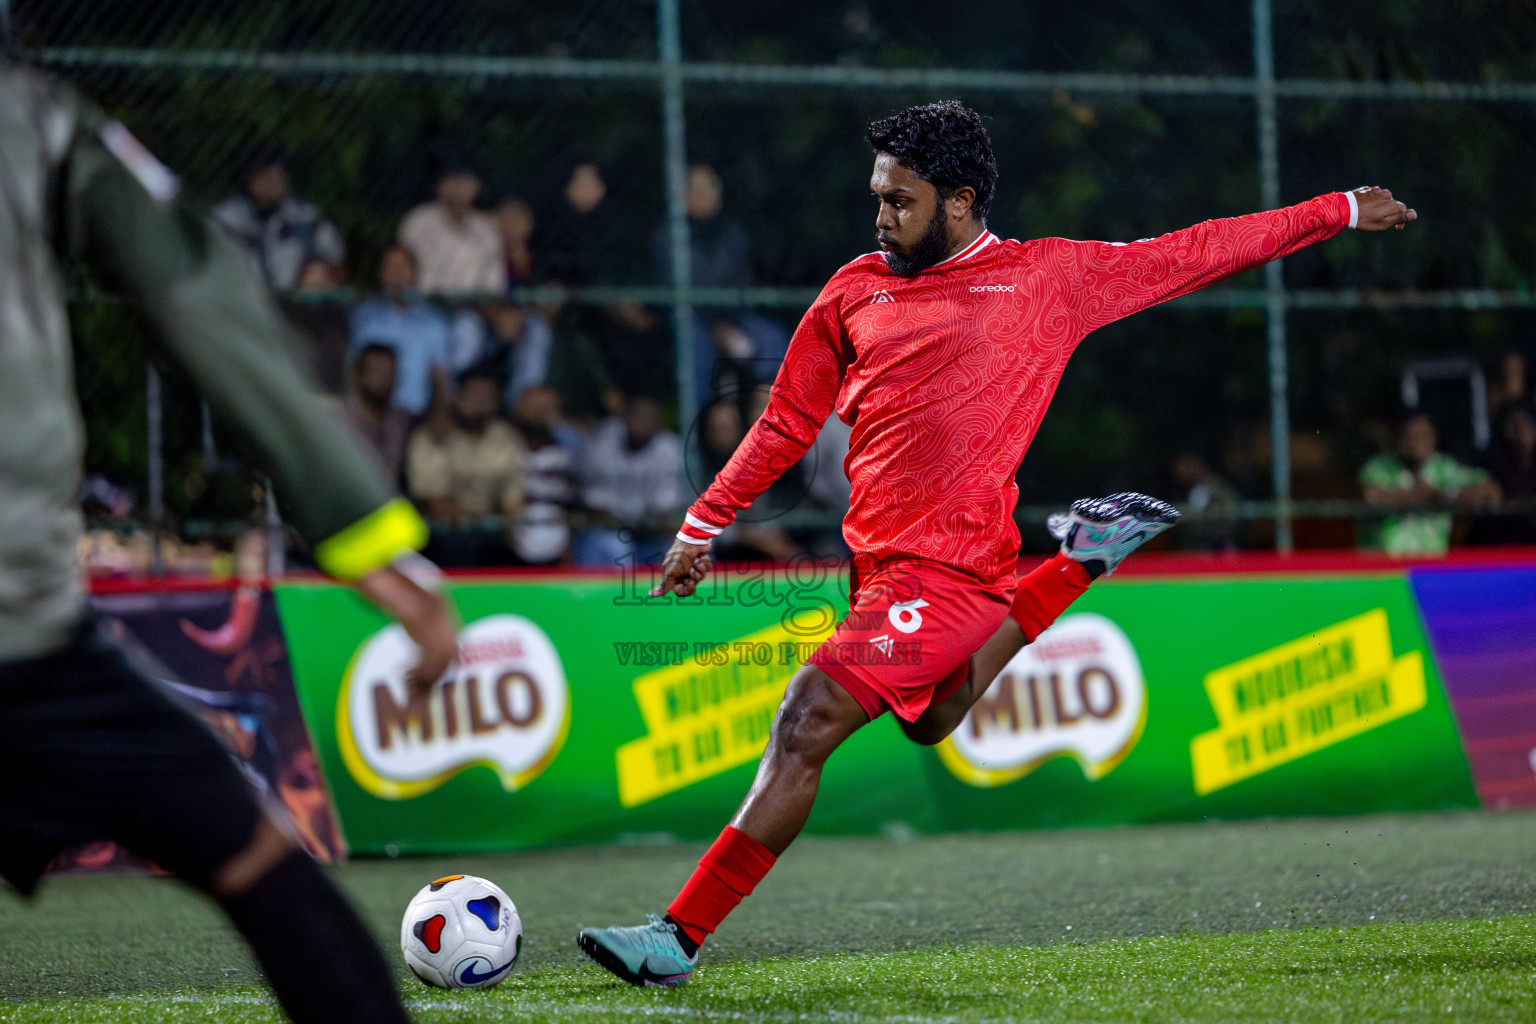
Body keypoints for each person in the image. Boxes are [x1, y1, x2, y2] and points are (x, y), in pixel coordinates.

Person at [577, 99, 1418, 986]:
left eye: (900, 200)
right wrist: (703, 525)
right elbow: (786, 421)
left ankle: (679, 935)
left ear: (962, 199)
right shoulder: (854, 289)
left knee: (807, 716)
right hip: (877, 566)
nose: (881, 216)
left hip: (950, 568)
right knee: (935, 721)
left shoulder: (1045, 281)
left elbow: (1196, 251)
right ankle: (1075, 564)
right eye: (877, 196)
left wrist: (1339, 211)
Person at [0, 60, 458, 1024]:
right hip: (24, 639)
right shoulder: (30, 114)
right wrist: (368, 539)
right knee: (256, 863)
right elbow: (194, 290)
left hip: (32, 637)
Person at [406, 369, 526, 566]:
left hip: (491, 536)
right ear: (457, 397)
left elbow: (512, 502)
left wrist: (509, 525)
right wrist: (476, 521)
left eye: (487, 395)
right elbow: (436, 503)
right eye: (473, 394)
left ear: (497, 401)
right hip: (440, 535)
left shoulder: (507, 438)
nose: (480, 402)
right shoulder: (434, 436)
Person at [1360, 410, 1501, 555]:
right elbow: (1371, 498)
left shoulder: (1444, 467)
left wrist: (1448, 496)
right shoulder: (1379, 467)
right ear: (1396, 438)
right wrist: (1428, 496)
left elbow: (1490, 490)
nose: (1415, 442)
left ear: (1434, 437)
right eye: (1408, 436)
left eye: (1421, 435)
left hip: (1432, 566)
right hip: (1384, 567)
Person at [212, 148, 346, 292]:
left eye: (280, 177)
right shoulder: (226, 218)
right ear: (249, 181)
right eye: (267, 178)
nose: (274, 185)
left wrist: (324, 276)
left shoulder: (307, 217)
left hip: (296, 303)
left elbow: (338, 264)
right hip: (243, 302)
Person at [572, 395, 684, 567]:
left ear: (658, 423)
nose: (641, 422)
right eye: (636, 415)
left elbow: (665, 507)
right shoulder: (604, 440)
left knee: (673, 545)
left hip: (650, 531)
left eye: (648, 417)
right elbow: (593, 500)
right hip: (608, 528)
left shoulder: (668, 448)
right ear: (624, 418)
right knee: (613, 545)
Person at [349, 244, 454, 416]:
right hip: (371, 413)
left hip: (416, 416)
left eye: (404, 266)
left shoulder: (434, 322)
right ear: (380, 274)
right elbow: (353, 371)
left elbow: (442, 379)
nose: (397, 272)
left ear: (416, 273)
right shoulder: (363, 317)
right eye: (390, 266)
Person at [398, 162, 506, 296]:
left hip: (474, 307)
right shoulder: (418, 221)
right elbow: (404, 269)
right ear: (439, 186)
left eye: (465, 183)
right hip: (425, 303)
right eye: (452, 181)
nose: (458, 189)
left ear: (477, 187)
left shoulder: (487, 227)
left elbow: (494, 279)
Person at [344, 343, 413, 484]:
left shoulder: (403, 419)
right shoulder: (340, 423)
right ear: (358, 375)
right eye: (375, 371)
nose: (383, 379)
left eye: (389, 373)